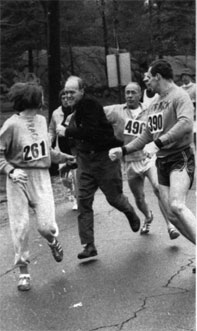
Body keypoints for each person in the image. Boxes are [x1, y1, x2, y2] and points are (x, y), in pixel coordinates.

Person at [109, 59, 197, 247]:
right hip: (162, 160)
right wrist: (123, 150)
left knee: (177, 205)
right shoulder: (155, 103)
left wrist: (158, 143)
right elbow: (147, 134)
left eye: (149, 78)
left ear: (158, 77)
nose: (146, 82)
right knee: (172, 216)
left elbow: (186, 123)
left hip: (180, 156)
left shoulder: (179, 96)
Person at [56, 76, 141, 259]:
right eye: (66, 92)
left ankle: (130, 212)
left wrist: (67, 131)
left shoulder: (90, 105)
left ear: (82, 91)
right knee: (83, 202)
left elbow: (91, 132)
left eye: (72, 92)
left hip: (104, 159)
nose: (68, 95)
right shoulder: (70, 108)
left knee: (114, 199)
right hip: (85, 160)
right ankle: (89, 245)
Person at [0, 82, 75, 291]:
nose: (43, 99)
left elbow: (45, 151)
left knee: (47, 226)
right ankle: (23, 271)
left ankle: (52, 240)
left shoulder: (42, 120)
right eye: (40, 95)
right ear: (33, 98)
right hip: (18, 179)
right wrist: (11, 171)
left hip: (41, 177)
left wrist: (63, 157)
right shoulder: (11, 124)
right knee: (20, 226)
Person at [103, 82, 181, 239]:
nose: (130, 95)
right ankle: (148, 216)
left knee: (158, 188)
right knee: (139, 198)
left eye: (133, 92)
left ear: (140, 94)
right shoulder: (116, 110)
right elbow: (96, 113)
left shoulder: (150, 110)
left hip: (148, 157)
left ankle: (170, 225)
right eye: (127, 93)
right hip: (130, 161)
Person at [48, 89, 79, 211]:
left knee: (76, 176)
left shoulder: (77, 111)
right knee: (64, 178)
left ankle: (77, 198)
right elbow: (51, 129)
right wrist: (49, 139)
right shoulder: (56, 113)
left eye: (68, 97)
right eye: (63, 98)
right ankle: (71, 191)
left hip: (75, 149)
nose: (66, 100)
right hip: (61, 149)